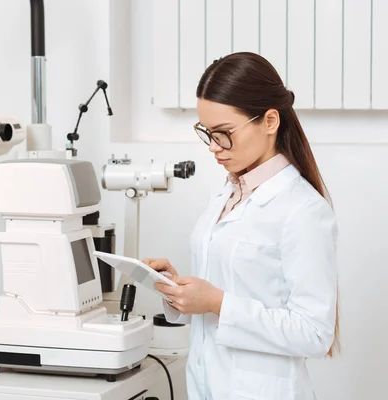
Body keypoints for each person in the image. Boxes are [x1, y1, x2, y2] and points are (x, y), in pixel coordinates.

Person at [144, 52, 339, 400]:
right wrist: (180, 292)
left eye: (224, 133)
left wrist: (218, 303)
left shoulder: (303, 209)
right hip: (207, 385)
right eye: (207, 133)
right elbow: (227, 293)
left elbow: (314, 332)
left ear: (269, 121)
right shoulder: (227, 193)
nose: (214, 148)